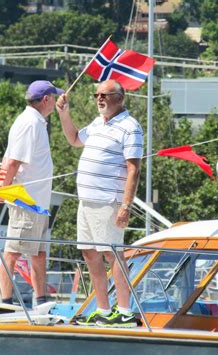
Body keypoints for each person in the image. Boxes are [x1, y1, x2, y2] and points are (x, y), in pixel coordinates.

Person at [56, 79, 143, 327]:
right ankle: (104, 310)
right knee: (90, 253)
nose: (99, 99)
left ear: (120, 98)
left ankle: (125, 311)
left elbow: (133, 169)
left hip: (108, 201)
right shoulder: (97, 123)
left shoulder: (130, 126)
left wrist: (126, 206)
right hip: (87, 201)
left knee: (112, 253)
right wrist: (64, 113)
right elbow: (74, 139)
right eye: (96, 95)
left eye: (104, 94)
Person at [0, 80, 64, 307]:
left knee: (38, 253)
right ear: (46, 100)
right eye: (54, 98)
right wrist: (4, 190)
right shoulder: (30, 123)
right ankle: (5, 302)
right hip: (26, 200)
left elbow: (9, 158)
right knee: (13, 252)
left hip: (37, 202)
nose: (55, 102)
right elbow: (13, 161)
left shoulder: (35, 122)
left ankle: (41, 301)